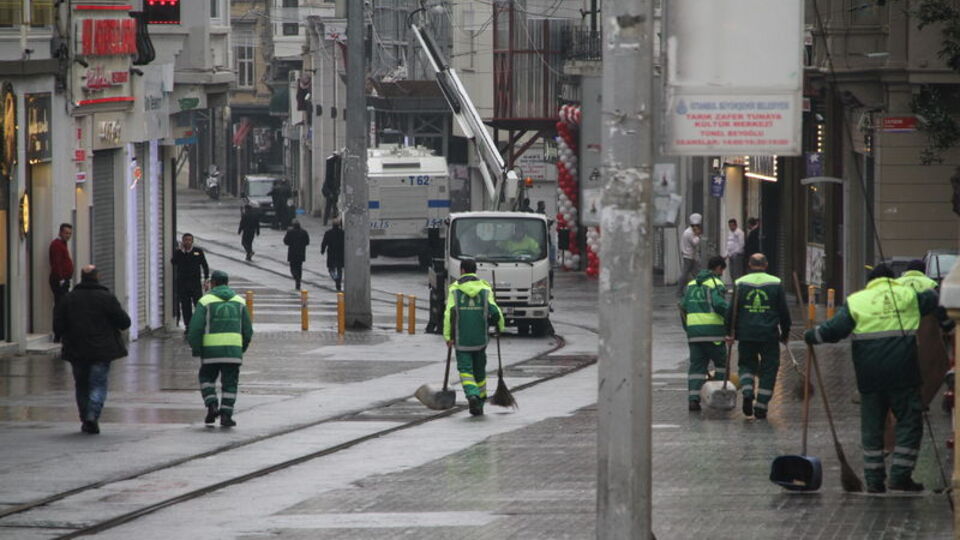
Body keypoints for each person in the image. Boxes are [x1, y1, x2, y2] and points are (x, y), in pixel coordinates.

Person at [805, 264, 941, 493]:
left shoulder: (857, 301)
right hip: (904, 373)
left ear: (870, 282)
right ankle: (900, 476)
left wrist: (811, 336)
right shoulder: (907, 295)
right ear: (892, 279)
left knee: (872, 428)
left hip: (869, 377)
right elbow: (933, 299)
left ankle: (874, 481)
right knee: (909, 423)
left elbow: (832, 330)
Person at [53, 265, 131, 435]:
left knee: (81, 385)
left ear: (81, 277)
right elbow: (124, 322)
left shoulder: (69, 298)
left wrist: (65, 335)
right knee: (98, 384)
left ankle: (85, 417)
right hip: (101, 350)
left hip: (76, 349)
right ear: (98, 277)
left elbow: (58, 325)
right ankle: (92, 415)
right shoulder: (106, 298)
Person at [728, 253, 791, 419]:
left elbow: (732, 310)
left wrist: (729, 332)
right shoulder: (776, 283)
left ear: (749, 265)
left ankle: (747, 391)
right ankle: (761, 406)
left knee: (746, 365)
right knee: (769, 369)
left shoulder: (740, 283)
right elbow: (784, 312)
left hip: (746, 334)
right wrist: (785, 333)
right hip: (769, 335)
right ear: (766, 265)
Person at [188, 270, 253, 427]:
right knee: (230, 383)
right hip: (233, 351)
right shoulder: (239, 301)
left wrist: (196, 348)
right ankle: (226, 416)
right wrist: (241, 348)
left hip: (210, 351)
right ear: (227, 283)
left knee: (206, 378)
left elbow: (195, 328)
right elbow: (248, 330)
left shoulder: (205, 301)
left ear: (213, 283)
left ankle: (211, 404)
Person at [443, 259, 505, 416]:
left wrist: (448, 336)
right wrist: (500, 327)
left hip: (461, 340)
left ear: (462, 270)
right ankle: (480, 402)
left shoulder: (454, 290)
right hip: (480, 340)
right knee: (479, 372)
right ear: (475, 270)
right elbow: (495, 311)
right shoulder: (485, 289)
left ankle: (472, 395)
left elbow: (449, 314)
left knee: (465, 370)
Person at [679, 256, 728, 412]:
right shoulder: (716, 284)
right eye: (722, 270)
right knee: (721, 365)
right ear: (718, 268)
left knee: (697, 367)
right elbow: (720, 305)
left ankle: (693, 400)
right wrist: (731, 318)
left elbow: (682, 307)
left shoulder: (691, 285)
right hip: (714, 333)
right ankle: (719, 397)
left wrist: (688, 329)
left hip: (694, 334)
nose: (721, 274)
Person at [171, 233, 209, 330]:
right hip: (183, 284)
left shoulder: (198, 252)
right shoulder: (179, 252)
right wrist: (180, 252)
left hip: (195, 284)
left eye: (189, 240)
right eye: (185, 240)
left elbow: (204, 265)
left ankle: (200, 324)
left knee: (198, 305)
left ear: (192, 241)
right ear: (183, 241)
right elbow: (173, 262)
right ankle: (188, 325)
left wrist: (206, 279)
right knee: (185, 306)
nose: (187, 242)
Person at [49, 223, 74, 342]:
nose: (68, 236)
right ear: (60, 232)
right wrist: (61, 279)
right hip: (60, 280)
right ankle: (58, 334)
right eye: (66, 233)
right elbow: (56, 263)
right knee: (60, 307)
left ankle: (61, 333)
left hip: (63, 279)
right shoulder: (57, 245)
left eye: (70, 234)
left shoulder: (62, 244)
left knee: (62, 306)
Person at [677, 213, 703, 297]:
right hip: (689, 256)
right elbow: (695, 243)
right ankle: (680, 290)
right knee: (687, 273)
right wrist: (698, 235)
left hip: (690, 255)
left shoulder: (688, 231)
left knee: (694, 273)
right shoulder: (690, 233)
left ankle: (698, 288)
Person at [283, 220, 310, 290]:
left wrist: (290, 243)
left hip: (292, 253)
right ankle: (298, 281)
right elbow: (307, 242)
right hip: (301, 253)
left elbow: (285, 241)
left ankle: (296, 277)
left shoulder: (290, 232)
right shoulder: (304, 232)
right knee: (299, 267)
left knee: (292, 268)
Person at [320, 217, 345, 291]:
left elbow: (324, 242)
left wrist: (322, 250)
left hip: (331, 253)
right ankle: (338, 282)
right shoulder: (342, 233)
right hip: (340, 253)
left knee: (331, 269)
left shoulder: (328, 233)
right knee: (339, 269)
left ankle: (336, 278)